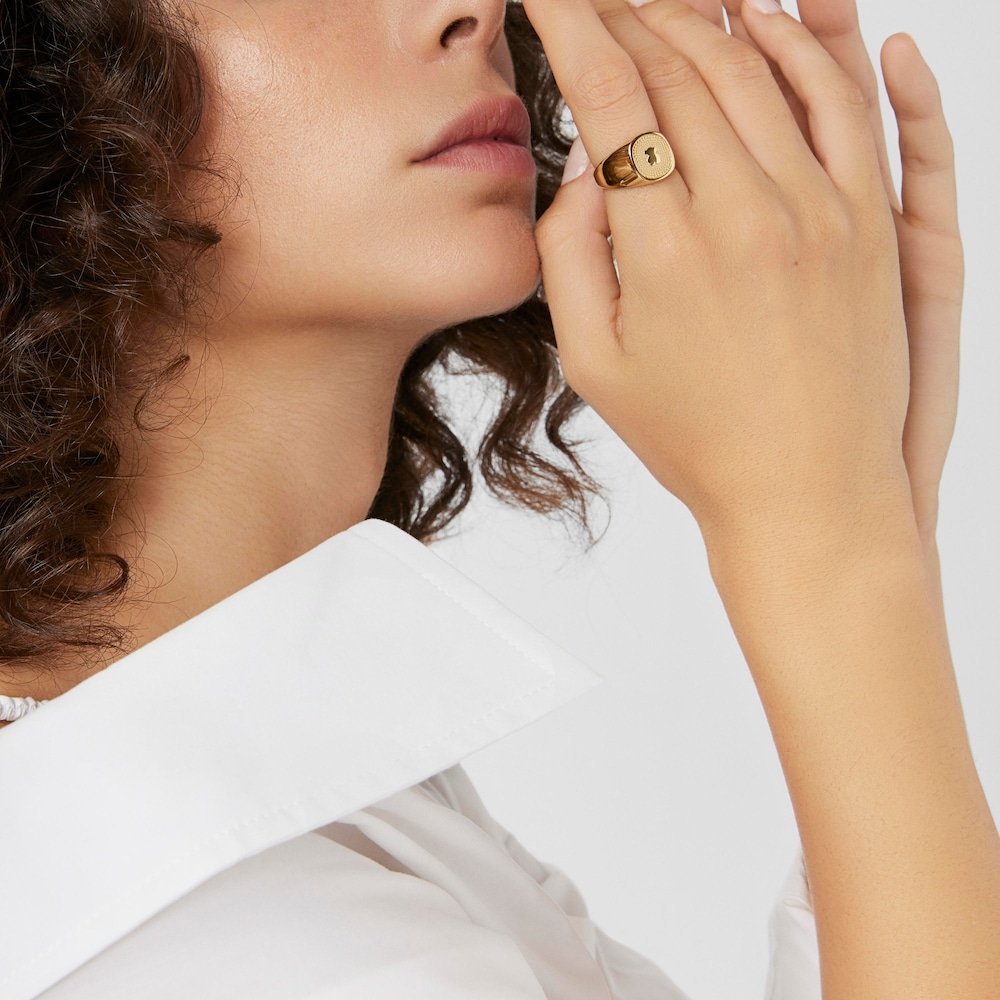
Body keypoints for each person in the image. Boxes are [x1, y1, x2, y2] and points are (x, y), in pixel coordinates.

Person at [0, 0, 995, 997]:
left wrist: (863, 501)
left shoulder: (268, 805)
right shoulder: (235, 942)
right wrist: (829, 546)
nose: (468, 11)